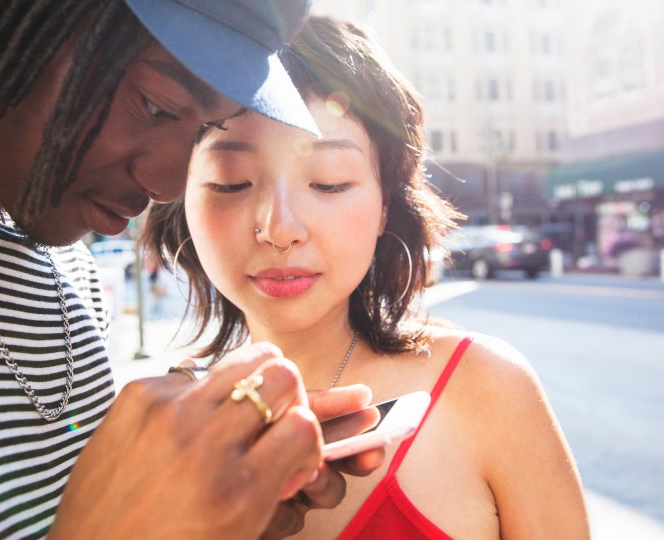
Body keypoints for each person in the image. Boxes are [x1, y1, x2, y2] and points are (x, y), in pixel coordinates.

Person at [0, 1, 382, 538]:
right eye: (156, 106)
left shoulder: (69, 268)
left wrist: (200, 510)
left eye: (203, 129)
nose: (166, 182)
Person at [143, 16, 590, 538]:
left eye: (329, 183)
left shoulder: (488, 389)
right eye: (232, 183)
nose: (280, 230)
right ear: (182, 205)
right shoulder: (165, 430)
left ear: (385, 205)